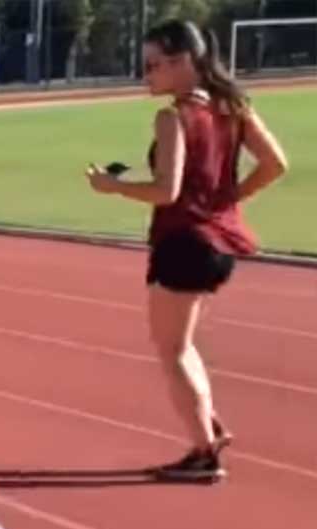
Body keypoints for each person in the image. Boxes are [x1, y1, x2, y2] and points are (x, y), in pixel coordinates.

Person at [85, 19, 289, 483]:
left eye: (154, 65)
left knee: (171, 350)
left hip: (184, 242)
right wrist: (229, 199)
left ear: (182, 63)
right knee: (181, 344)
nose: (147, 75)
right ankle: (208, 423)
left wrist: (112, 186)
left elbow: (166, 191)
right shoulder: (233, 107)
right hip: (220, 242)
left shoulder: (174, 116)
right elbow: (276, 163)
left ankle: (204, 453)